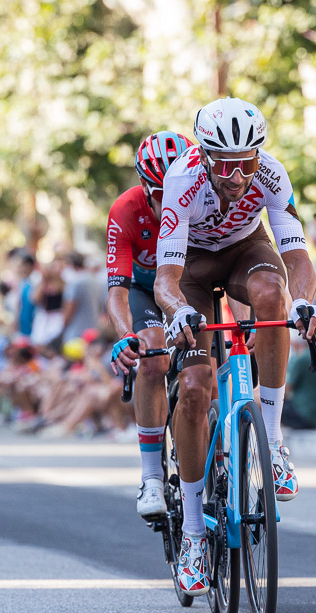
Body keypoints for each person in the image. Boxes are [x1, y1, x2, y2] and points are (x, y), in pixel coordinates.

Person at [154, 97, 316, 596]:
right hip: (194, 271)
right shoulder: (182, 180)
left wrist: (306, 303)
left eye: (246, 161)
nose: (237, 174)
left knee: (274, 298)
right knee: (194, 386)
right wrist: (177, 310)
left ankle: (271, 442)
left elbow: (296, 254)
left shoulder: (270, 174)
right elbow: (166, 278)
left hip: (246, 252)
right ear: (204, 155)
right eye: (226, 163)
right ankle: (190, 535)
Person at [105, 130, 192, 518]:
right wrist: (126, 336)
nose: (169, 202)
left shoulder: (203, 198)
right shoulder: (125, 210)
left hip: (191, 283)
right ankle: (151, 478)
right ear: (144, 186)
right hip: (144, 288)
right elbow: (117, 290)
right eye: (160, 194)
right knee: (153, 357)